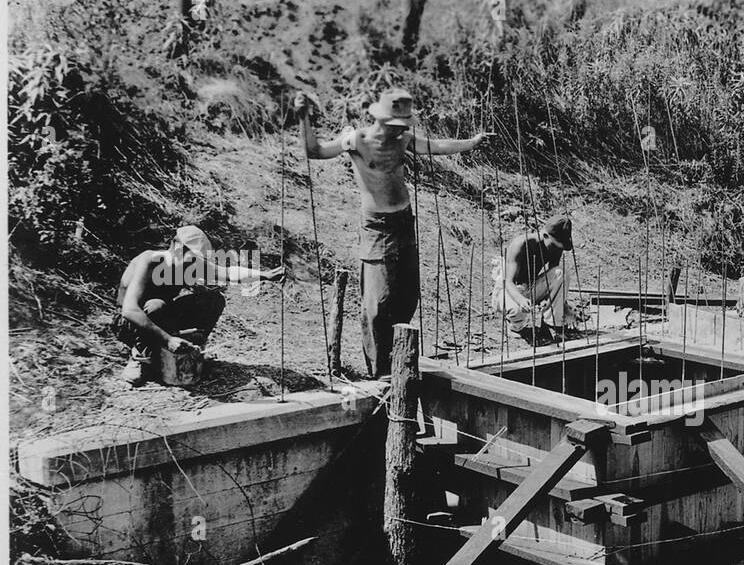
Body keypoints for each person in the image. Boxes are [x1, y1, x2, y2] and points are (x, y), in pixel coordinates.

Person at [295, 87, 488, 377]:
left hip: (404, 222)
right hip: (376, 226)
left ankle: (400, 357)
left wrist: (472, 143)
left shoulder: (404, 140)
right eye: (397, 125)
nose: (401, 130)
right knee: (378, 301)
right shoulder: (357, 140)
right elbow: (316, 151)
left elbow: (436, 146)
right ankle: (379, 370)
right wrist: (303, 118)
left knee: (408, 294)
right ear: (382, 120)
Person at [112, 225, 281, 386]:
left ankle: (190, 353)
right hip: (130, 325)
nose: (193, 264)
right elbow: (129, 310)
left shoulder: (189, 264)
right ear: (176, 246)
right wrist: (168, 339)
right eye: (190, 257)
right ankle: (140, 358)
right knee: (156, 305)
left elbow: (228, 272)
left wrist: (265, 275)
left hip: (160, 318)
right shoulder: (150, 261)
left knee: (213, 300)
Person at [492, 214, 582, 345]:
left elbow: (555, 283)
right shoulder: (521, 244)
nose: (558, 249)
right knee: (518, 311)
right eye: (556, 245)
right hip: (507, 290)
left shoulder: (555, 247)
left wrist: (562, 307)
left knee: (561, 272)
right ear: (545, 236)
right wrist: (520, 299)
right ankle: (514, 325)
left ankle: (551, 325)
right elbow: (508, 281)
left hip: (530, 287)